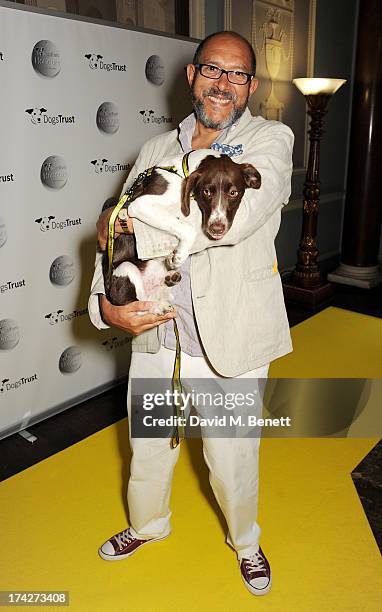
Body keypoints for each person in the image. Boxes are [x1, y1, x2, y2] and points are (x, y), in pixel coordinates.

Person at [89, 30, 294, 596]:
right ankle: (147, 525)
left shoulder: (269, 140)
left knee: (230, 463)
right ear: (192, 75)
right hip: (159, 335)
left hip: (229, 335)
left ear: (251, 84)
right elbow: (115, 229)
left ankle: (246, 542)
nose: (223, 83)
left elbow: (236, 218)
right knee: (148, 449)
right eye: (213, 69)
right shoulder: (155, 151)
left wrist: (157, 224)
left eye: (237, 74)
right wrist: (106, 305)